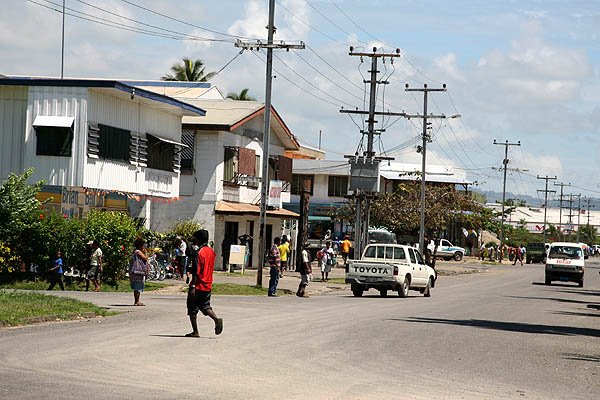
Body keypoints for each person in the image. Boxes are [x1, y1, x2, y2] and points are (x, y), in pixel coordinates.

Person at [186, 229, 223, 337]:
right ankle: (216, 319)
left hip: (198, 284)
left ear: (198, 239)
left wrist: (193, 286)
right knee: (205, 306)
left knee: (192, 309)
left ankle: (195, 331)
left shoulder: (199, 253)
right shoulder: (211, 252)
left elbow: (197, 271)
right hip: (208, 284)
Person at [129, 238, 148, 306]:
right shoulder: (138, 252)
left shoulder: (135, 251)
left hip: (135, 271)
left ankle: (137, 300)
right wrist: (145, 252)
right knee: (138, 286)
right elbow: (145, 258)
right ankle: (137, 301)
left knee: (137, 286)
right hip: (138, 271)